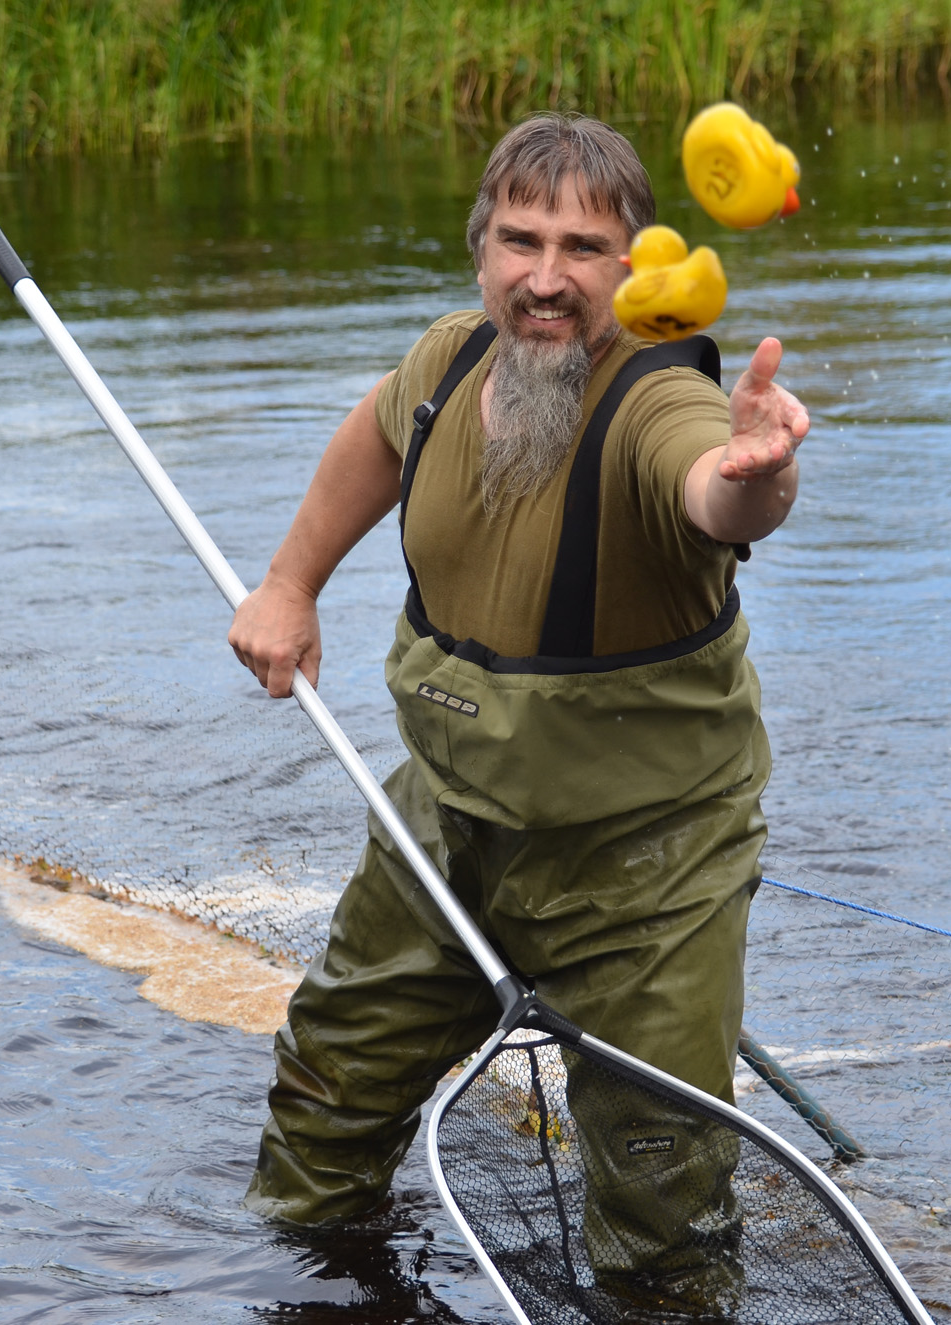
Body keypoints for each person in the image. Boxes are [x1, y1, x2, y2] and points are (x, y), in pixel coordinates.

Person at [228, 113, 809, 1264]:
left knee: (661, 1208)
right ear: (480, 247)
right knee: (323, 1098)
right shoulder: (447, 359)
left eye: (584, 249)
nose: (545, 280)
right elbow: (373, 434)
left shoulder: (658, 398)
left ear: (638, 265)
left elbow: (714, 492)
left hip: (644, 864)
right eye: (519, 239)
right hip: (444, 816)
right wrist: (290, 582)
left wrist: (759, 472)